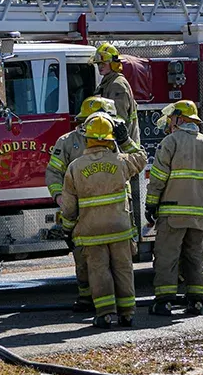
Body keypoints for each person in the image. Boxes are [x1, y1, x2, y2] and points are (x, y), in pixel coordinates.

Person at [60, 115, 148, 328]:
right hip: (120, 230)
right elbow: (142, 158)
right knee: (123, 269)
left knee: (99, 271)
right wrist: (126, 139)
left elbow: (69, 208)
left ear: (88, 139)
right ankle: (127, 313)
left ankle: (105, 314)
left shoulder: (75, 167)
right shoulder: (120, 162)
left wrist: (68, 230)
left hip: (91, 232)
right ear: (110, 139)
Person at [145, 101, 203, 316]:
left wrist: (151, 203)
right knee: (196, 256)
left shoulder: (170, 142)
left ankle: (164, 302)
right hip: (201, 216)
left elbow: (158, 177)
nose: (170, 122)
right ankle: (197, 301)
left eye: (172, 118)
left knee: (167, 256)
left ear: (180, 119)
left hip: (173, 213)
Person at [46, 96, 123, 311]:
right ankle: (86, 298)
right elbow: (53, 172)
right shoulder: (68, 141)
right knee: (83, 258)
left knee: (115, 260)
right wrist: (60, 197)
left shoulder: (113, 140)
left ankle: (112, 300)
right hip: (81, 212)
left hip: (110, 209)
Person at [92, 43, 140, 145]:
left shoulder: (116, 85)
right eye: (98, 64)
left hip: (121, 145)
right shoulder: (108, 82)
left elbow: (118, 120)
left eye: (103, 63)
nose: (100, 66)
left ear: (113, 63)